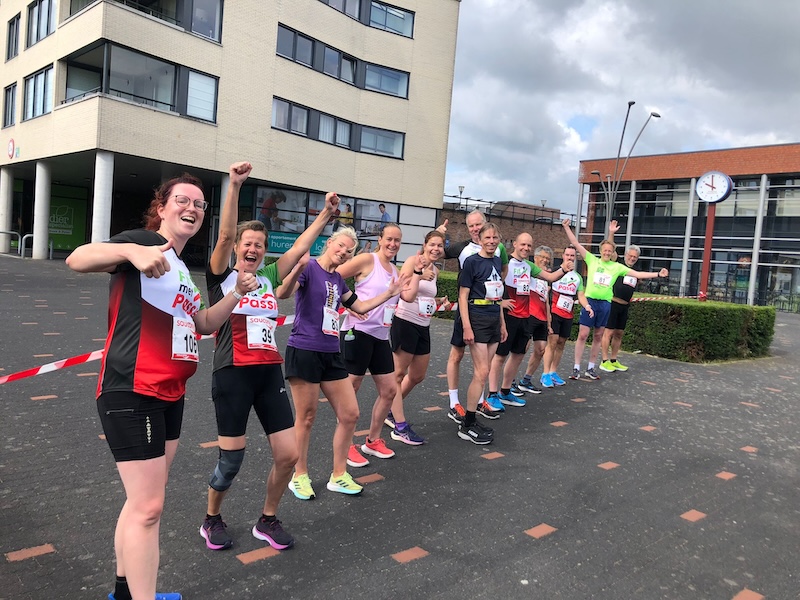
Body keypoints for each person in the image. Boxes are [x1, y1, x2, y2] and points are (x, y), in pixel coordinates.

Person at [66, 173, 259, 600]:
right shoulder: (144, 242)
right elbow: (77, 258)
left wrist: (236, 294)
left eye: (199, 204)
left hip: (171, 394)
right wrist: (130, 250)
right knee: (149, 508)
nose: (192, 208)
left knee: (143, 503)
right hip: (133, 388)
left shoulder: (184, 271)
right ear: (162, 207)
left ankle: (124, 591)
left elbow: (203, 323)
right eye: (182, 200)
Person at [200, 166, 341, 553]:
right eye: (247, 243)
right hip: (232, 375)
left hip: (268, 375)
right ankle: (211, 518)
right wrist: (235, 186)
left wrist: (326, 215)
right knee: (231, 461)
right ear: (237, 247)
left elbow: (298, 248)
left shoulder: (267, 278)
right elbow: (224, 235)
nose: (253, 249)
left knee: (288, 454)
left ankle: (267, 518)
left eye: (259, 245)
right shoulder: (221, 277)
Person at [278, 227, 405, 499]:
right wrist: (296, 269)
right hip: (305, 349)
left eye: (349, 250)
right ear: (329, 243)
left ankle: (339, 475)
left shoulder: (337, 279)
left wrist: (389, 293)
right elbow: (283, 293)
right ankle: (299, 475)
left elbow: (359, 306)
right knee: (306, 417)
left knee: (349, 414)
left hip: (331, 352)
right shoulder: (310, 268)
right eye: (341, 246)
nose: (344, 252)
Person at [562, 219, 668, 380]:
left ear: (612, 253)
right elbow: (575, 243)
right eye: (604, 250)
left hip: (605, 304)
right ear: (601, 251)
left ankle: (591, 367)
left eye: (609, 251)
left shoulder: (617, 267)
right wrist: (566, 227)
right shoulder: (592, 260)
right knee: (583, 334)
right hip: (590, 301)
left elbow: (638, 274)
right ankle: (576, 367)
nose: (607, 253)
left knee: (598, 336)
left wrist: (658, 274)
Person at [336, 223, 403, 467]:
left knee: (389, 390)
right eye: (389, 239)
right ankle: (346, 446)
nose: (393, 244)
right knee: (351, 390)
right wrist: (348, 305)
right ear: (380, 239)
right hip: (357, 332)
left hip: (380, 336)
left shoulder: (395, 271)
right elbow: (332, 277)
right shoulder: (367, 260)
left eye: (397, 241)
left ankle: (373, 441)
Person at [438, 211, 509, 423]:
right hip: (468, 311)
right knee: (457, 355)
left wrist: (501, 318)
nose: (476, 229)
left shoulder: (497, 253)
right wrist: (440, 234)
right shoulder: (463, 249)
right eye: (472, 226)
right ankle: (454, 402)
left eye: (479, 224)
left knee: (483, 368)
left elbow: (501, 275)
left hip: (490, 313)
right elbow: (437, 252)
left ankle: (478, 401)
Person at [384, 230, 449, 444]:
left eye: (440, 246)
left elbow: (424, 297)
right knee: (398, 374)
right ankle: (400, 425)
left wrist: (439, 301)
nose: (436, 249)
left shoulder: (436, 270)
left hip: (423, 326)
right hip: (405, 322)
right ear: (425, 245)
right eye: (432, 244)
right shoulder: (413, 261)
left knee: (417, 375)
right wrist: (419, 274)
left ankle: (389, 408)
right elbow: (406, 293)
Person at [457, 222, 507, 444]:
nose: (491, 241)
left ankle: (472, 417)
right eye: (487, 237)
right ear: (479, 239)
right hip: (477, 317)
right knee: (482, 371)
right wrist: (466, 326)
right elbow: (462, 296)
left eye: (495, 238)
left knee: (484, 373)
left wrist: (502, 324)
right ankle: (467, 424)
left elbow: (498, 296)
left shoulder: (496, 261)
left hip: (494, 317)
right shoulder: (471, 262)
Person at [522, 244, 585, 389]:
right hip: (544, 313)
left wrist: (587, 306)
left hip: (559, 314)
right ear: (563, 256)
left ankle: (548, 373)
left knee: (553, 345)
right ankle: (540, 375)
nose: (570, 258)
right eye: (567, 255)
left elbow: (545, 295)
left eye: (572, 256)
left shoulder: (576, 277)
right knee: (526, 347)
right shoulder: (551, 273)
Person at [599, 244, 661, 372]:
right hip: (613, 303)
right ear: (625, 255)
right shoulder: (618, 263)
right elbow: (611, 248)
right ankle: (604, 361)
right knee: (608, 332)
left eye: (635, 257)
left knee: (619, 333)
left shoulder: (636, 271)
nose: (632, 258)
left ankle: (613, 360)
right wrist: (611, 234)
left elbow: (642, 276)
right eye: (630, 256)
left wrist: (659, 274)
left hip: (625, 305)